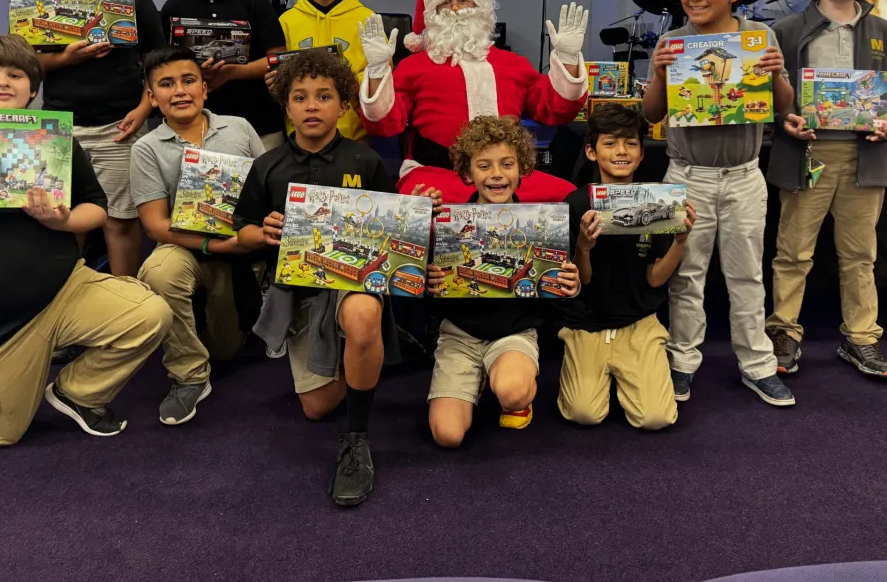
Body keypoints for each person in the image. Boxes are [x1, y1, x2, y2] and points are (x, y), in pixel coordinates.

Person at [234, 49, 417, 508]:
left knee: (362, 316)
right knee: (317, 408)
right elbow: (241, 228)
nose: (311, 106)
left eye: (324, 96)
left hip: (354, 283)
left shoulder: (365, 160)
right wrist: (263, 231)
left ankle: (357, 439)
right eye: (300, 97)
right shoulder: (268, 165)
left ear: (344, 105)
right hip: (298, 290)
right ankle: (366, 354)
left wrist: (418, 212)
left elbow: (393, 229)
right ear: (286, 106)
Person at [0, 34, 171, 445]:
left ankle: (77, 393)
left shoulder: (54, 139)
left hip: (64, 288)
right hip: (1, 327)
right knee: (1, 433)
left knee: (149, 315)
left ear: (33, 89)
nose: (2, 82)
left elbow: (97, 209)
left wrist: (62, 220)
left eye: (15, 74)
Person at [641, 0, 796, 407]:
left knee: (747, 275)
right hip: (688, 175)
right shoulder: (673, 41)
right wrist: (658, 74)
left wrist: (776, 76)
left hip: (744, 175)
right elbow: (652, 113)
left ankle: (757, 364)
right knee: (686, 275)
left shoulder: (759, 36)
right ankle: (682, 360)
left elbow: (783, 106)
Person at [358, 0, 588, 202]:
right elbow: (383, 124)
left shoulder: (513, 64)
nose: (455, 7)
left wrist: (568, 58)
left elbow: (555, 109)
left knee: (567, 201)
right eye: (445, 3)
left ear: (479, 7)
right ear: (432, 16)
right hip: (438, 173)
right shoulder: (414, 66)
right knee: (421, 209)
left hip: (508, 177)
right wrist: (377, 70)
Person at [766, 0, 887, 377]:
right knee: (793, 252)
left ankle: (862, 337)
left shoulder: (882, 30)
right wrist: (786, 119)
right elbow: (766, 96)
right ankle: (783, 330)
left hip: (865, 156)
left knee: (860, 254)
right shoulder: (785, 31)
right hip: (807, 154)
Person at [130, 46, 266, 425]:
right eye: (166, 84)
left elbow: (268, 187)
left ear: (204, 89)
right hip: (186, 248)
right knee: (158, 271)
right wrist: (215, 243)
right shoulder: (146, 149)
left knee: (225, 351)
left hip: (239, 251)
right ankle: (189, 374)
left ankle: (244, 312)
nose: (179, 91)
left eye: (188, 80)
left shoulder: (239, 128)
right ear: (152, 97)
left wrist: (248, 238)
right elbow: (155, 225)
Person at [425, 115, 580, 448]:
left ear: (522, 169)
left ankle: (514, 393)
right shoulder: (451, 223)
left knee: (512, 392)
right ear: (468, 173)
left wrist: (570, 282)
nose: (496, 174)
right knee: (448, 435)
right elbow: (430, 289)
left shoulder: (541, 225)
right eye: (484, 166)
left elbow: (558, 287)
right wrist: (430, 282)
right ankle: (478, 377)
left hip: (513, 332)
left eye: (507, 164)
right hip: (460, 334)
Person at [40, 0, 167, 279]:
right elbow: (26, 64)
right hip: (60, 126)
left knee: (120, 222)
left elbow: (159, 62)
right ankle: (67, 300)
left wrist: (144, 110)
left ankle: (123, 298)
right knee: (63, 220)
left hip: (120, 127)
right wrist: (65, 58)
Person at [560, 103, 696, 430]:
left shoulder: (659, 203)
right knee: (584, 413)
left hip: (639, 321)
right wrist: (583, 247)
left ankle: (634, 368)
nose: (621, 151)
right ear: (592, 152)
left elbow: (655, 279)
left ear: (642, 153)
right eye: (610, 143)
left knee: (656, 418)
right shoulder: (576, 203)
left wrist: (680, 243)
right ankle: (596, 369)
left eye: (631, 143)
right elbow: (582, 281)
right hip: (587, 322)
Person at [160, 0, 286, 150]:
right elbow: (162, 68)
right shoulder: (174, 8)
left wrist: (233, 72)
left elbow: (278, 58)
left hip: (259, 125)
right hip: (196, 129)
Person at [268, 0, 374, 141]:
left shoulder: (367, 19)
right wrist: (275, 81)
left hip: (352, 138)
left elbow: (380, 76)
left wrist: (348, 83)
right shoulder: (286, 21)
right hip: (298, 138)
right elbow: (279, 74)